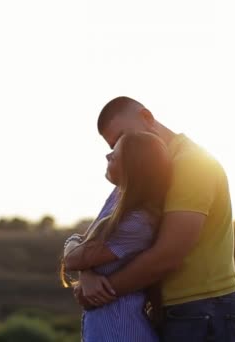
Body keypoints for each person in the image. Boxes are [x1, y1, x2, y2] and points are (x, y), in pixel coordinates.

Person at [73, 96, 235, 341]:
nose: (119, 150)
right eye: (114, 146)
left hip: (203, 308)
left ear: (147, 117)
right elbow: (93, 241)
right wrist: (88, 275)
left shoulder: (192, 164)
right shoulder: (143, 174)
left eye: (122, 137)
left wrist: (97, 293)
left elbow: (168, 255)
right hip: (174, 311)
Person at [62, 131, 171, 341]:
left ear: (133, 167)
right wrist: (87, 274)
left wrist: (75, 246)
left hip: (121, 330)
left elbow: (73, 257)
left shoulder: (137, 222)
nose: (107, 156)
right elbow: (82, 254)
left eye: (116, 154)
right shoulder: (118, 202)